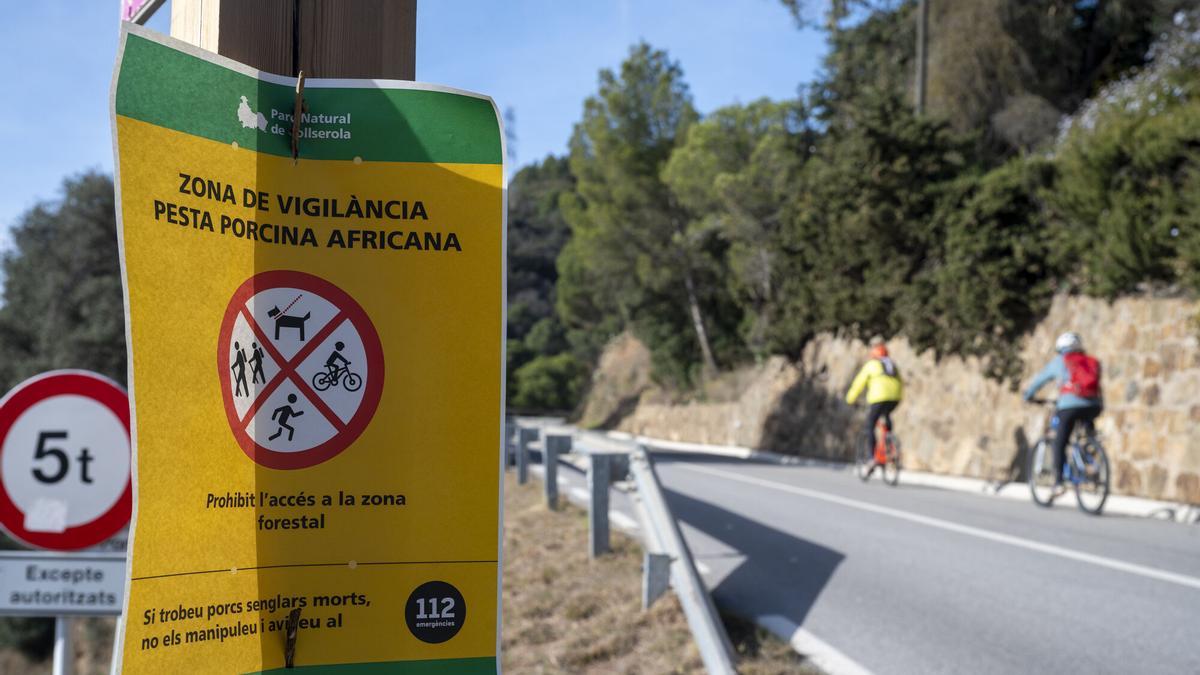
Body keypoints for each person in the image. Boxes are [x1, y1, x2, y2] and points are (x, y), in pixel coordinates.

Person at [1023, 332, 1103, 496]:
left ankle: (1058, 482)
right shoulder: (1090, 361)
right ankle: (1090, 457)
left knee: (1060, 442)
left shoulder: (1060, 361)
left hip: (1069, 406)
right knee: (1085, 436)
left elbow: (1040, 380)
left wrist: (1028, 396)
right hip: (1094, 405)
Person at [846, 344, 903, 463]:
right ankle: (889, 444)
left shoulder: (872, 365)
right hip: (895, 398)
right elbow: (901, 382)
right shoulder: (892, 365)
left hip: (878, 398)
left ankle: (872, 457)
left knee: (870, 424)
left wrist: (850, 399)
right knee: (886, 417)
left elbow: (859, 383)